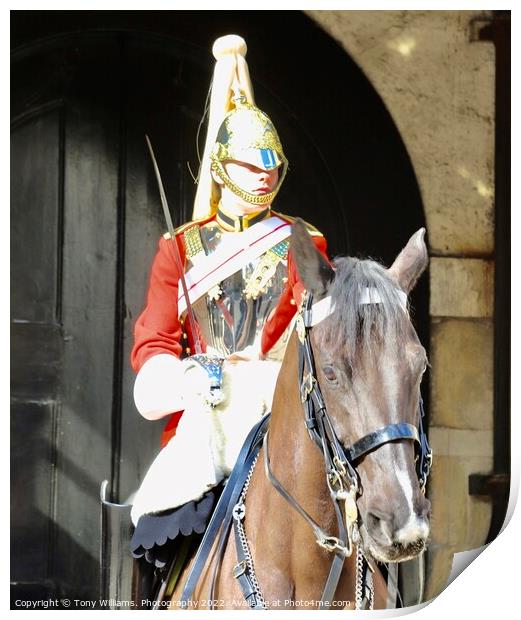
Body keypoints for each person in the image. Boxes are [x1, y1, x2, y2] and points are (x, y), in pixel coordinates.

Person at [129, 35, 330, 574]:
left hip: (279, 415)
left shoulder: (303, 241)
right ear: (221, 166)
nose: (265, 173)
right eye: (250, 163)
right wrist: (191, 377)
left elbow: (320, 328)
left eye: (271, 163)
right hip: (205, 422)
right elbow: (154, 348)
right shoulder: (180, 249)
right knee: (153, 525)